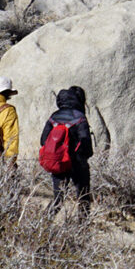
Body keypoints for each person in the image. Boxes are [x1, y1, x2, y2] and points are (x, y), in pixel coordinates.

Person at [41, 86, 96, 217]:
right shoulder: (80, 117)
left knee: (58, 198)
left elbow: (43, 141)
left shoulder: (54, 117)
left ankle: (42, 225)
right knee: (83, 198)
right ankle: (82, 230)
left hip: (58, 163)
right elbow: (86, 143)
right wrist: (84, 157)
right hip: (77, 164)